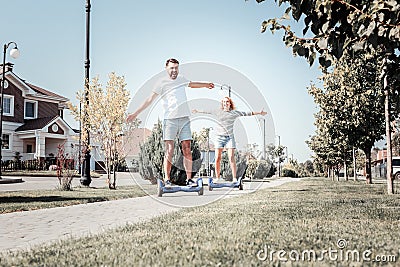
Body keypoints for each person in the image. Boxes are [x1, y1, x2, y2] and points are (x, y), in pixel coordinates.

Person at [127, 58, 214, 187]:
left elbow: (192, 84)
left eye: (176, 68)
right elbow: (149, 99)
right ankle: (167, 179)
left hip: (184, 118)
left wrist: (206, 85)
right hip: (170, 120)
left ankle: (189, 179)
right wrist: (135, 113)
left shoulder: (181, 78)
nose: (174, 70)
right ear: (166, 68)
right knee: (170, 149)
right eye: (172, 68)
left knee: (187, 149)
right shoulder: (161, 83)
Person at [193, 96, 267, 183]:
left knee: (231, 157)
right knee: (217, 158)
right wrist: (197, 110)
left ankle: (234, 178)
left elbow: (247, 113)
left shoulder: (234, 113)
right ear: (222, 104)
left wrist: (259, 113)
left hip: (229, 138)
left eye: (227, 102)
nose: (225, 103)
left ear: (230, 103)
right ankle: (217, 178)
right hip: (219, 137)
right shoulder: (218, 111)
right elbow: (207, 111)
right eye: (224, 102)